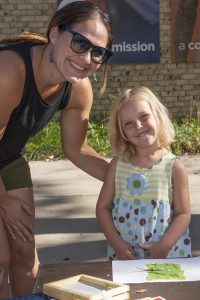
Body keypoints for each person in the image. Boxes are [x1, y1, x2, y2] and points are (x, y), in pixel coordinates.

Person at [0, 1, 113, 297]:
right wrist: (4, 200)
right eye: (79, 43)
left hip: (6, 157)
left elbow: (78, 149)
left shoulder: (77, 87)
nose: (86, 58)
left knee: (24, 252)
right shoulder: (9, 72)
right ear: (54, 34)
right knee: (0, 256)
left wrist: (129, 178)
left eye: (97, 52)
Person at [96, 86, 192, 261]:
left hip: (166, 255)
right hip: (125, 256)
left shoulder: (174, 167)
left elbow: (183, 214)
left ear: (158, 115)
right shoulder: (117, 165)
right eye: (129, 123)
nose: (139, 126)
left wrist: (163, 246)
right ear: (122, 132)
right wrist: (116, 243)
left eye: (144, 116)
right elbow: (103, 208)